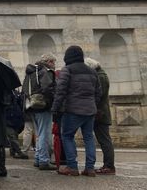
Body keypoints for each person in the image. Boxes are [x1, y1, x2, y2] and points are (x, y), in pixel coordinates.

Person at [52, 46, 101, 177]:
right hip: (90, 110)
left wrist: (55, 109)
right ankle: (90, 168)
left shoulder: (67, 70)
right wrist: (93, 105)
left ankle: (72, 167)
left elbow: (60, 91)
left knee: (67, 136)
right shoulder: (92, 72)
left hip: (72, 110)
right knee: (89, 138)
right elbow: (98, 93)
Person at [22, 53, 57, 171]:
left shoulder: (31, 72)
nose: (54, 65)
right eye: (53, 62)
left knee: (38, 133)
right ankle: (43, 160)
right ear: (49, 62)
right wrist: (52, 99)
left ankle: (38, 158)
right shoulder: (44, 71)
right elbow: (47, 88)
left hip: (31, 106)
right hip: (43, 106)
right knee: (44, 133)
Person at [85, 57, 115, 175]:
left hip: (100, 113)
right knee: (104, 140)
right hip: (100, 112)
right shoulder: (100, 74)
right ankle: (107, 165)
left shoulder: (100, 76)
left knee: (104, 140)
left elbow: (99, 95)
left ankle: (109, 166)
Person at [4, 89, 28, 159]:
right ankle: (18, 151)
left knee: (14, 134)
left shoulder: (13, 92)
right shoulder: (10, 92)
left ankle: (14, 150)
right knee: (12, 135)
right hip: (10, 116)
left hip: (14, 117)